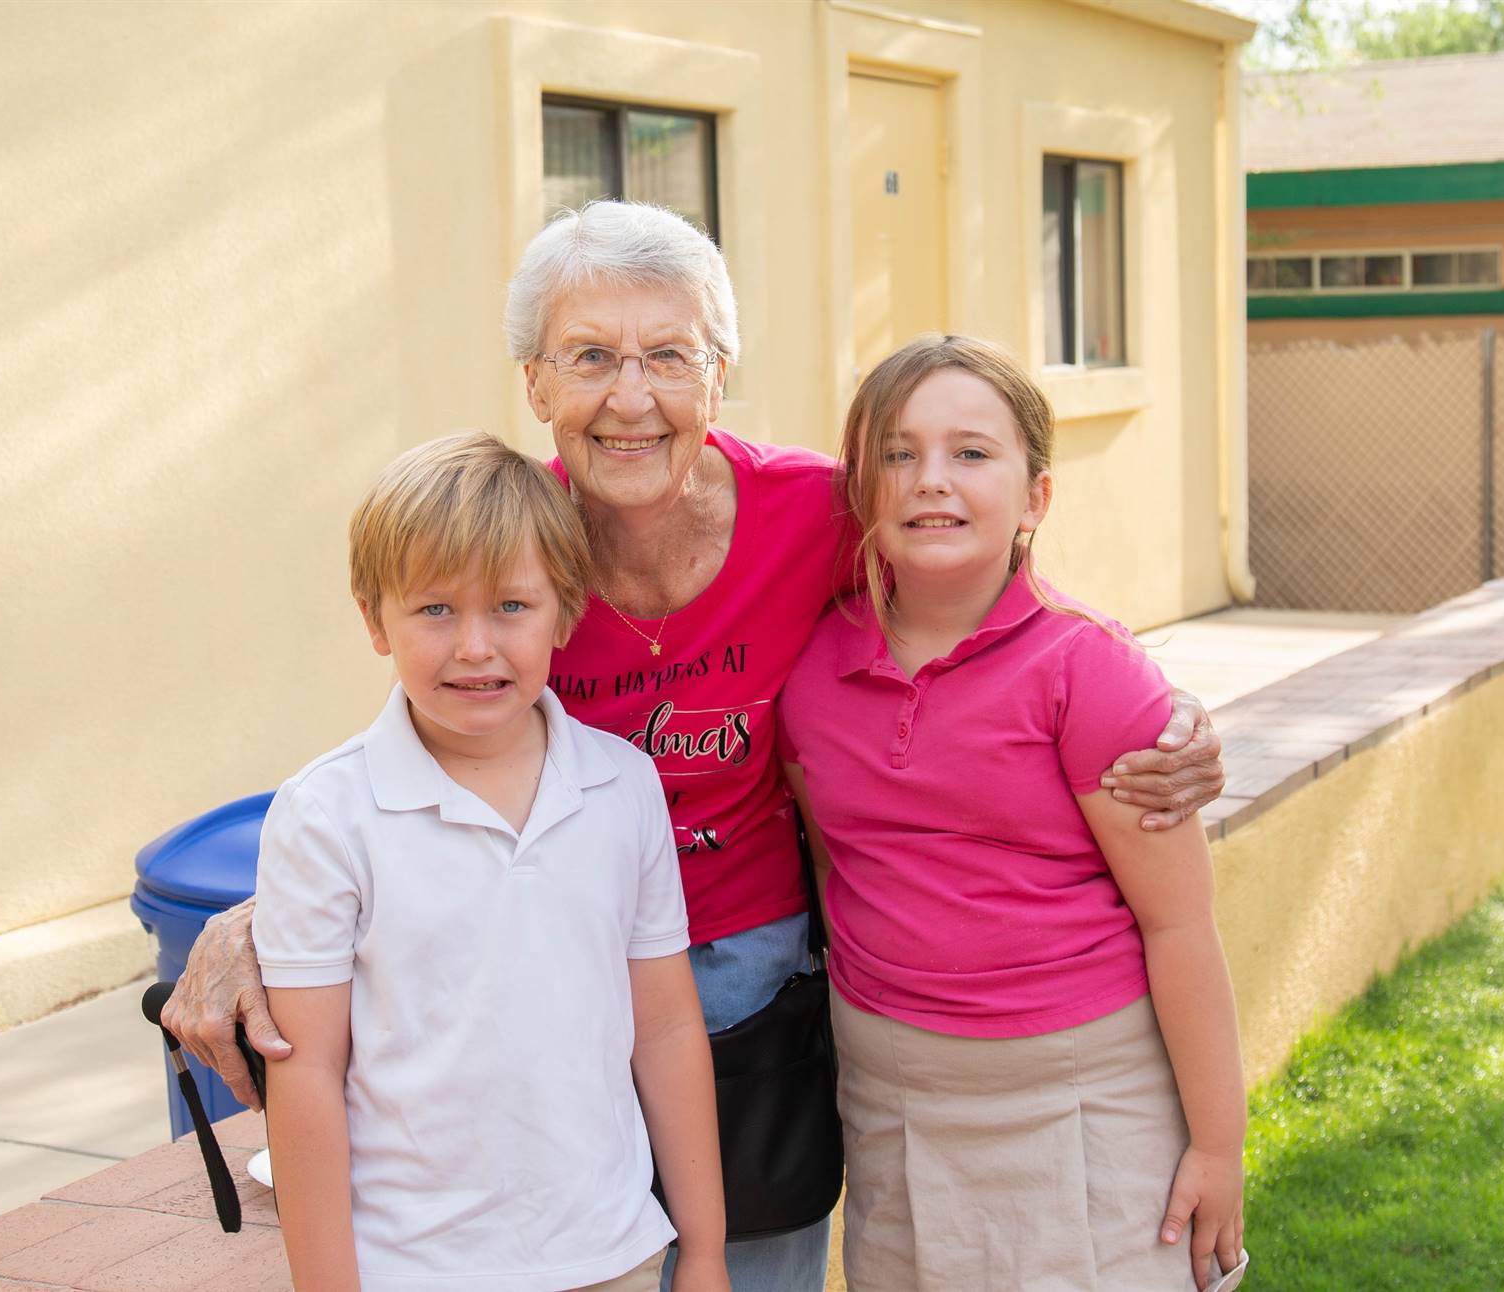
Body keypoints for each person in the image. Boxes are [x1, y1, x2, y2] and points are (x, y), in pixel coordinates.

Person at [162, 200, 1231, 1292]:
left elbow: (989, 588)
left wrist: (1167, 710)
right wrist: (261, 918)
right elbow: (417, 746)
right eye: (589, 357)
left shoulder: (817, 512)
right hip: (541, 966)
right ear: (534, 384)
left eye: (668, 355)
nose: (632, 396)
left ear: (720, 374)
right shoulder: (503, 546)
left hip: (747, 977)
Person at [777, 335, 1248, 1292]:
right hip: (892, 1098)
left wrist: (1219, 1145)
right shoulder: (812, 669)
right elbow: (840, 866)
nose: (929, 481)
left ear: (1035, 496)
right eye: (897, 455)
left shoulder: (1086, 670)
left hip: (1078, 1099)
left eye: (971, 453)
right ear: (861, 490)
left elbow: (1179, 921)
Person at [255, 433, 728, 1292]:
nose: (475, 646)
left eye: (511, 606)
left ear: (565, 612)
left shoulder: (622, 787)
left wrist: (702, 1249)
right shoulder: (326, 814)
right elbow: (309, 1073)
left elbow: (663, 1029)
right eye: (435, 610)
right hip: (416, 1268)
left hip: (610, 1250)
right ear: (374, 620)